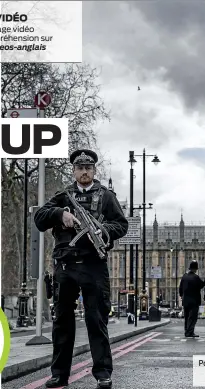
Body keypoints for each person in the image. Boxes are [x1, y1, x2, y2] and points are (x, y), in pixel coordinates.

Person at [34, 149, 129, 389]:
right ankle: (59, 374)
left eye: (88, 168)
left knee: (96, 320)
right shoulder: (63, 196)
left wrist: (103, 231)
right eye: (80, 168)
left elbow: (121, 224)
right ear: (74, 171)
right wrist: (60, 214)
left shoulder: (106, 196)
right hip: (65, 265)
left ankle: (103, 373)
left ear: (94, 171)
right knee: (62, 322)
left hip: (93, 266)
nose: (84, 171)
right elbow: (40, 217)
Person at [179, 260, 205, 338]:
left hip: (186, 301)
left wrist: (182, 296)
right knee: (193, 317)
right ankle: (190, 332)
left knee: (187, 317)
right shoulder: (196, 277)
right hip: (194, 301)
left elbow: (180, 288)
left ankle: (187, 330)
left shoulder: (184, 276)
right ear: (195, 269)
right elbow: (202, 285)